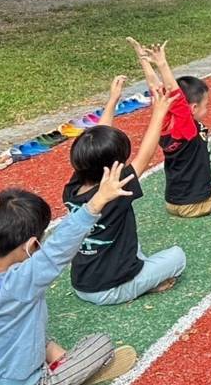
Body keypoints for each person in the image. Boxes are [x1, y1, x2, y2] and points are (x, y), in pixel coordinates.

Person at [0, 171, 139, 385]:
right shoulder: (19, 283)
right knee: (100, 344)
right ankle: (68, 375)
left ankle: (60, 362)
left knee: (29, 328)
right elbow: (57, 249)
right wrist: (95, 203)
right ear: (31, 246)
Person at [64, 81, 186, 306]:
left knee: (133, 246)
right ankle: (140, 286)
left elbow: (96, 142)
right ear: (115, 167)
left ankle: (142, 279)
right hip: (110, 290)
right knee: (178, 257)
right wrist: (159, 113)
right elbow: (146, 154)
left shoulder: (73, 187)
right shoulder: (115, 192)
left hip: (81, 284)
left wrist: (112, 101)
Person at [126, 39, 211, 217]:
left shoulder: (164, 123)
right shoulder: (186, 128)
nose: (207, 108)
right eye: (206, 104)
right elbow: (175, 95)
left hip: (172, 202)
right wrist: (161, 63)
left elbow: (155, 88)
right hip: (193, 206)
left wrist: (143, 58)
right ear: (193, 108)